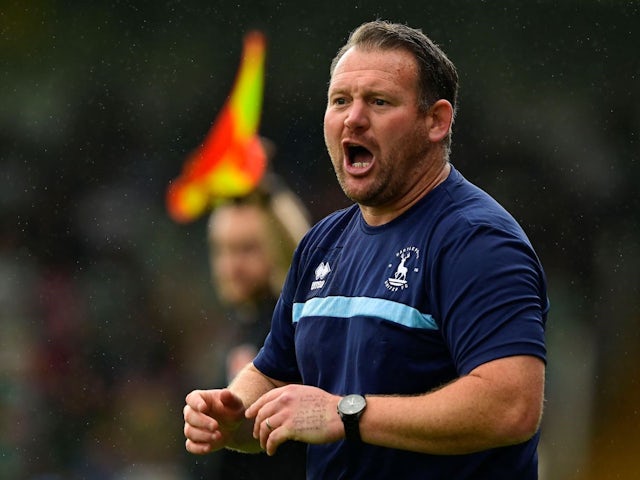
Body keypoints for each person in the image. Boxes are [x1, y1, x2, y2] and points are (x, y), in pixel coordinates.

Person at [183, 20, 549, 479]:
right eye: (340, 101)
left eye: (379, 102)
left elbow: (511, 406)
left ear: (436, 121)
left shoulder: (476, 240)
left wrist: (346, 413)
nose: (353, 118)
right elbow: (274, 375)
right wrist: (232, 412)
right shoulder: (322, 244)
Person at [193, 173, 310, 479]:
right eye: (222, 249)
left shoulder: (292, 326)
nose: (231, 266)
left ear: (282, 246)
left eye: (247, 249)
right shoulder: (244, 322)